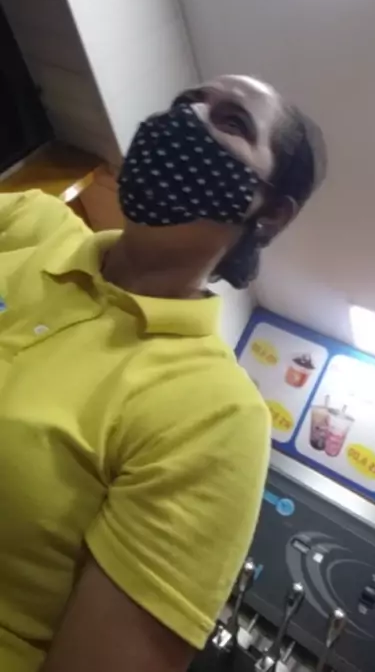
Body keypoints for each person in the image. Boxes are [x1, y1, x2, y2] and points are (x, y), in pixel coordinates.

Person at [0, 75, 327, 672]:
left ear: (271, 212)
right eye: (186, 103)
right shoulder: (31, 221)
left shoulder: (215, 417)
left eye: (232, 123)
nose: (190, 119)